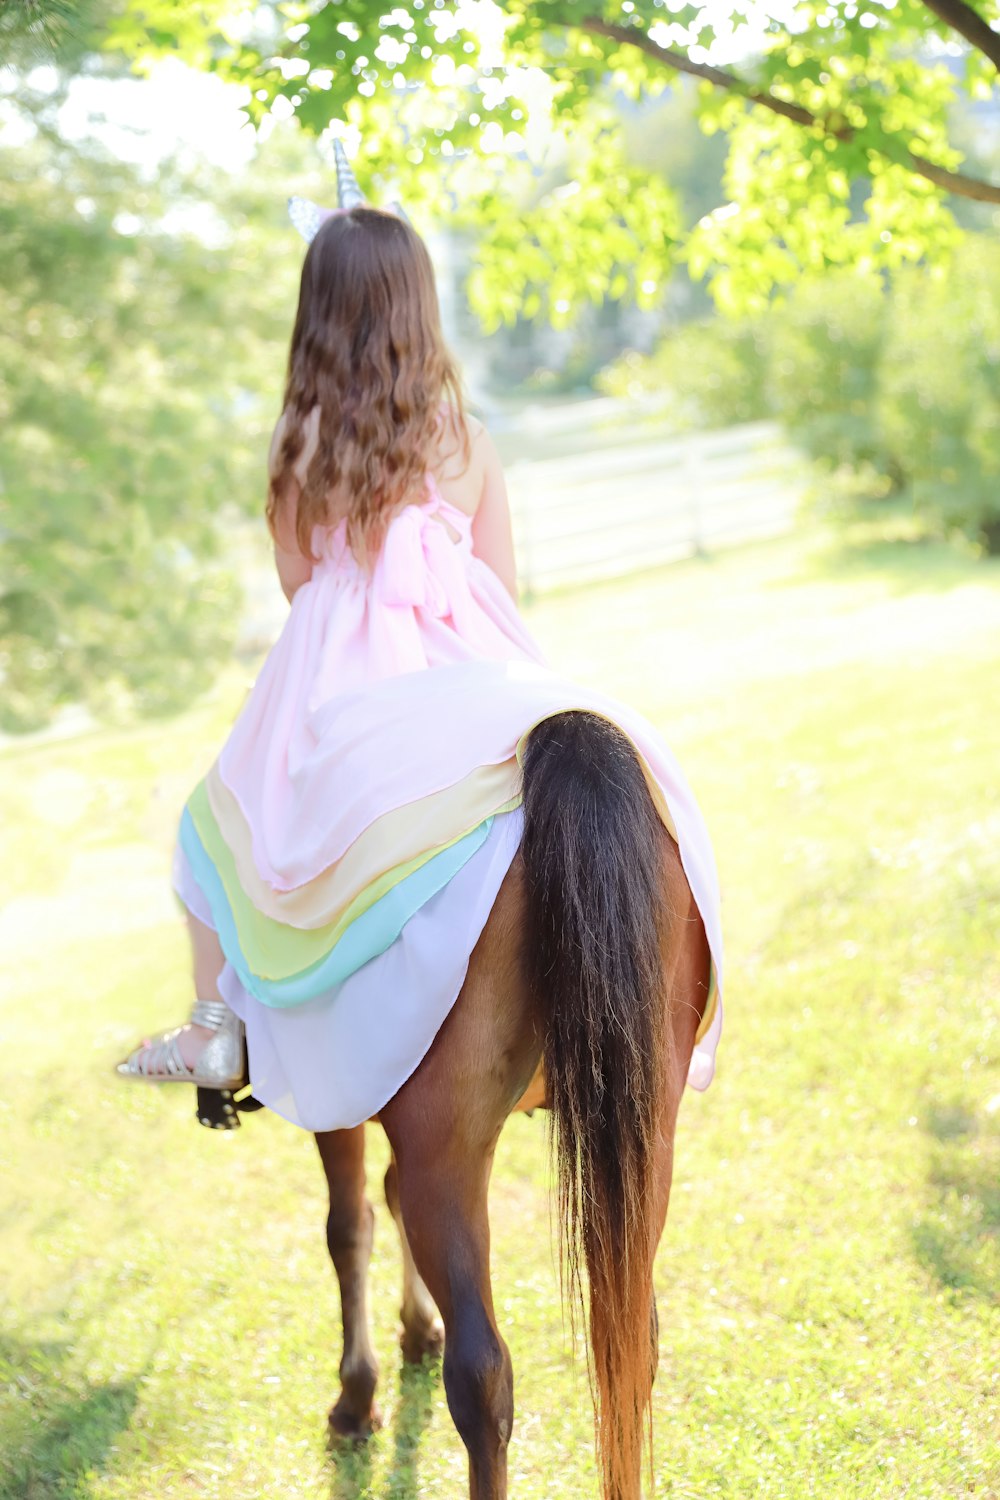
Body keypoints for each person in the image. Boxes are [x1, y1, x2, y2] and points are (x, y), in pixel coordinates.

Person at [118, 153, 723, 1130]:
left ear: (315, 317)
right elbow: (505, 583)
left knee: (210, 832)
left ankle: (215, 1033)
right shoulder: (468, 441)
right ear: (418, 308)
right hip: (471, 667)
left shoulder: (297, 444)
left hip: (336, 682)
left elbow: (292, 582)